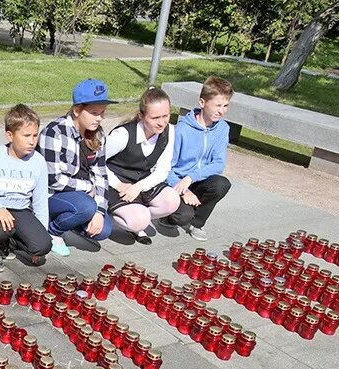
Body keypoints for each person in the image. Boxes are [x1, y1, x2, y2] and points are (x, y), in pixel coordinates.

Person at [37, 79, 116, 257]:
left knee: (104, 229)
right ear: (77, 110)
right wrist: (87, 187)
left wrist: (100, 211)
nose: (99, 118)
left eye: (103, 113)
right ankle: (53, 229)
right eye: (94, 113)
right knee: (85, 206)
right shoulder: (54, 132)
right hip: (51, 195)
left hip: (80, 196)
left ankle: (73, 219)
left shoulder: (98, 133)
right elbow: (52, 180)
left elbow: (101, 174)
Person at [0, 104, 53, 272]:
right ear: (10, 135)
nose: (32, 141)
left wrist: (40, 233)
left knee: (42, 246)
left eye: (35, 135)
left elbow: (40, 201)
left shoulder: (38, 162)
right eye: (26, 135)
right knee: (1, 228)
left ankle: (9, 242)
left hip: (20, 210)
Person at [104, 87, 181, 245]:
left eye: (166, 116)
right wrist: (118, 184)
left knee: (172, 200)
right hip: (115, 181)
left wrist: (138, 187)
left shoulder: (169, 131)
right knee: (139, 220)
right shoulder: (122, 135)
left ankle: (136, 215)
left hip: (140, 181)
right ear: (141, 116)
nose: (161, 123)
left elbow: (163, 169)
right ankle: (110, 215)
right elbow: (96, 162)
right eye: (155, 118)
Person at [161, 76, 234, 241]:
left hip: (198, 180)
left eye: (225, 105)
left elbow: (218, 163)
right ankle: (168, 216)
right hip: (176, 182)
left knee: (222, 184)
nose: (221, 110)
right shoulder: (181, 130)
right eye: (217, 105)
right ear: (202, 103)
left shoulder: (223, 128)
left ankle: (196, 223)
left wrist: (191, 178)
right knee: (181, 217)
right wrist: (183, 189)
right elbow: (167, 167)